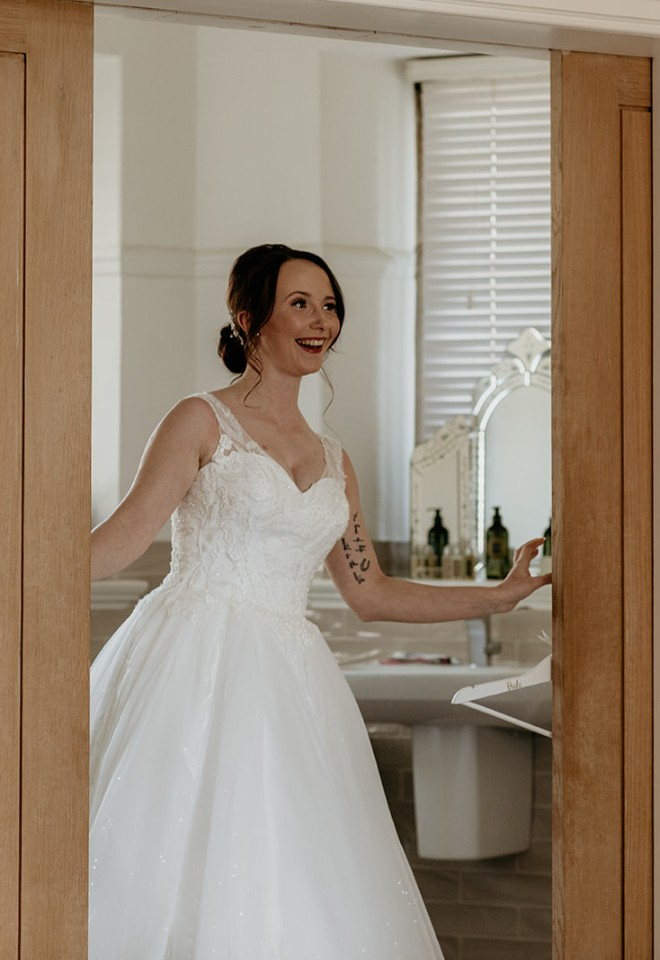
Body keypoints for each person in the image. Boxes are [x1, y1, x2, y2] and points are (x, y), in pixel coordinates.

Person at [89, 243, 550, 960]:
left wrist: (499, 596)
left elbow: (370, 593)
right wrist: (28, 571)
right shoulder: (199, 421)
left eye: (329, 305)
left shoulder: (336, 460)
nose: (321, 321)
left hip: (290, 674)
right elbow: (118, 544)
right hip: (192, 657)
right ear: (249, 319)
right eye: (299, 303)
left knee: (297, 866)